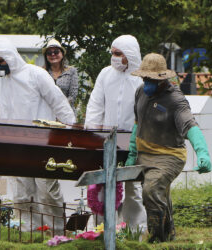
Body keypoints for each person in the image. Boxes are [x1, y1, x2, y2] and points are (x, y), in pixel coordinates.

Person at [0, 37, 76, 233]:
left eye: (0, 62)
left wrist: (73, 132)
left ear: (10, 57)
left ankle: (58, 236)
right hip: (14, 146)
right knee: (21, 195)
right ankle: (27, 236)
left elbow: (59, 102)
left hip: (43, 144)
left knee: (47, 193)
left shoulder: (35, 75)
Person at [128, 53, 211, 242]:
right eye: (144, 77)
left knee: (151, 189)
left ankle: (157, 238)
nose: (146, 81)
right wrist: (132, 153)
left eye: (150, 79)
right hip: (145, 153)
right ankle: (169, 233)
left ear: (162, 79)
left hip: (169, 155)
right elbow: (136, 123)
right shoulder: (141, 92)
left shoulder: (176, 100)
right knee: (160, 193)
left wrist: (202, 153)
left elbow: (190, 125)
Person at [85, 35, 147, 233]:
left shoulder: (142, 79)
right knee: (101, 186)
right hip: (106, 141)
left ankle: (134, 232)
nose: (114, 58)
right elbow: (95, 104)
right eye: (112, 53)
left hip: (133, 142)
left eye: (118, 54)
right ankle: (103, 232)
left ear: (129, 55)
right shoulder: (105, 74)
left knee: (132, 188)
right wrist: (92, 135)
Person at [42, 39, 79, 109]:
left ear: (62, 54)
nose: (53, 54)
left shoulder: (72, 71)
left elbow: (73, 96)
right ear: (46, 56)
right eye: (49, 53)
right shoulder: (42, 72)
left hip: (66, 113)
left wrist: (60, 108)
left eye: (56, 52)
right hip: (46, 113)